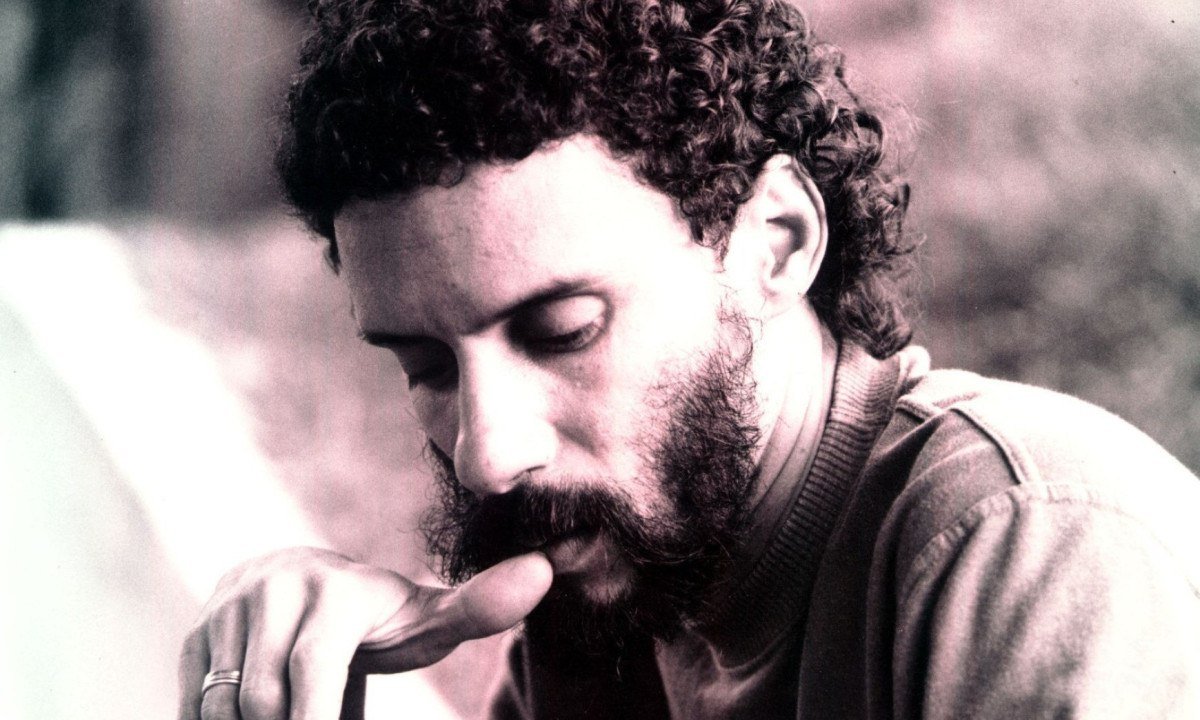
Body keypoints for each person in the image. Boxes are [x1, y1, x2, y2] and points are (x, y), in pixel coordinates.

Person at [178, 1, 1200, 718]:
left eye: (562, 330)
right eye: (427, 368)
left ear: (776, 243)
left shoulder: (1029, 546)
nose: (488, 455)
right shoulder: (613, 603)